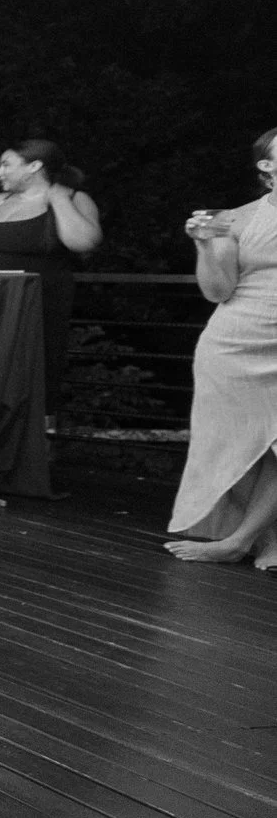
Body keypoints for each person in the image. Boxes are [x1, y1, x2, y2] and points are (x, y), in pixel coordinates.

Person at [167, 128, 277, 570]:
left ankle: (239, 541)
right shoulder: (235, 220)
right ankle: (264, 537)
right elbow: (218, 291)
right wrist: (204, 244)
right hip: (235, 343)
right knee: (234, 445)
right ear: (267, 166)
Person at [0, 139, 102, 417]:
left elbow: (84, 242)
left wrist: (58, 198)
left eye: (6, 165)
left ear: (34, 166)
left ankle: (36, 438)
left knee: (30, 379)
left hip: (37, 307)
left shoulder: (74, 198)